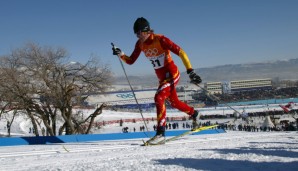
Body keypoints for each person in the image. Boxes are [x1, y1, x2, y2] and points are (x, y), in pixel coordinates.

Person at [112, 17, 202, 145]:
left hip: (172, 74)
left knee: (159, 97)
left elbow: (181, 52)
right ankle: (194, 114)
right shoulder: (140, 44)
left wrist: (190, 71)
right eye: (136, 34)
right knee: (174, 102)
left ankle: (160, 134)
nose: (138, 36)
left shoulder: (161, 39)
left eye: (140, 33)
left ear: (147, 31)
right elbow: (131, 61)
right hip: (162, 79)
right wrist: (120, 54)